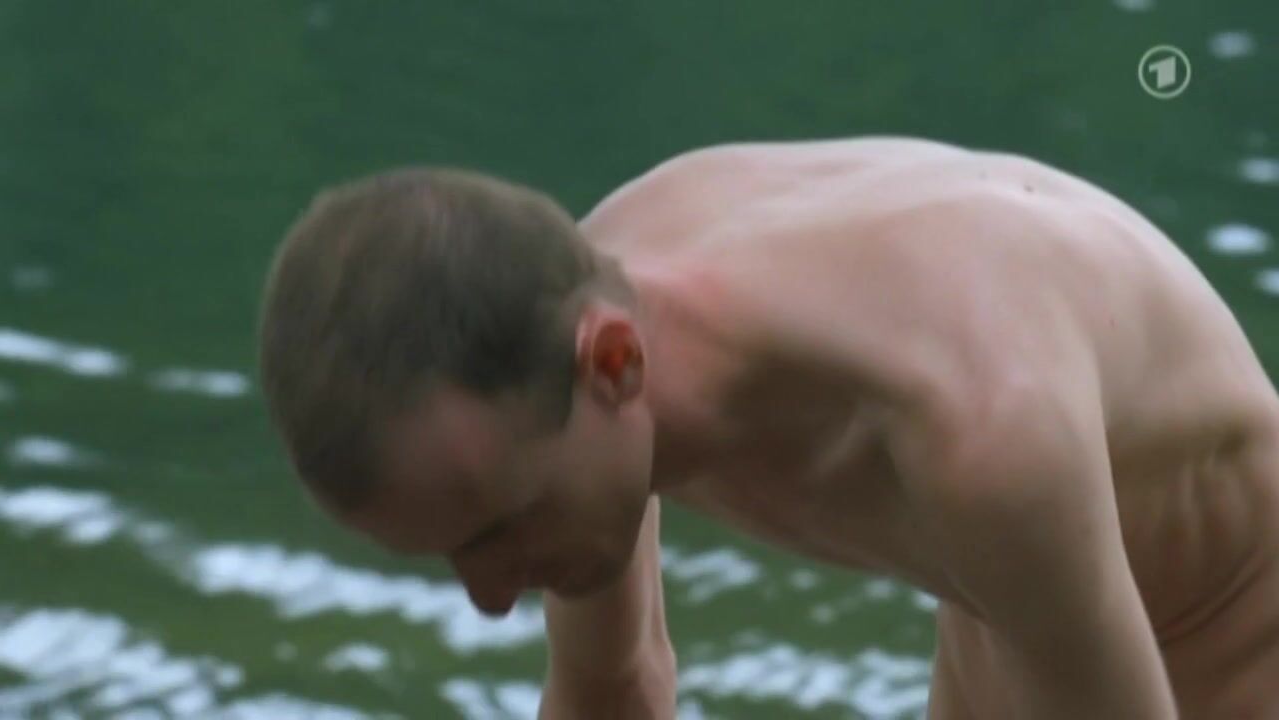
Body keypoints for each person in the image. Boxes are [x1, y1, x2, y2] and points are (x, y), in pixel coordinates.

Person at [256, 137, 1279, 719]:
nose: (487, 599)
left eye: (496, 528)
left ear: (614, 364)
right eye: (449, 554)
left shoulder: (976, 432)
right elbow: (612, 685)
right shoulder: (579, 298)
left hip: (1237, 632)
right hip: (1015, 618)